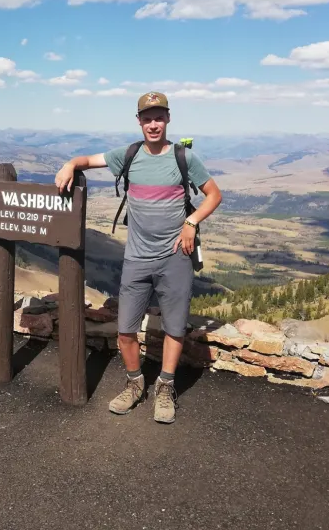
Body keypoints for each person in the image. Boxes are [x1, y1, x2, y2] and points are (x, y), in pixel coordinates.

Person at [54, 91, 222, 424]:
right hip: (137, 257)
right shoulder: (128, 155)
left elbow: (214, 195)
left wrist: (191, 222)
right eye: (147, 119)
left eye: (159, 117)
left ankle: (165, 387)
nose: (153, 124)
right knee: (125, 330)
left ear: (168, 118)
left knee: (175, 328)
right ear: (139, 122)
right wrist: (70, 163)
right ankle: (135, 384)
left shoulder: (184, 158)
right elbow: (88, 160)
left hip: (176, 256)